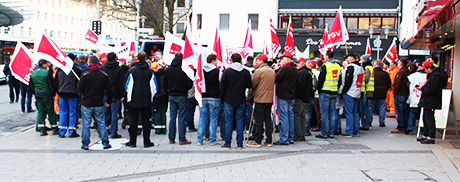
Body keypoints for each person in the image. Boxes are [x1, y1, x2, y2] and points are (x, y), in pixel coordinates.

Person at [78, 56, 113, 150]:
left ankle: (85, 144)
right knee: (101, 122)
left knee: (86, 124)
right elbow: (110, 89)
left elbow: (80, 89)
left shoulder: (85, 75)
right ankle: (105, 143)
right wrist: (109, 101)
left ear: (89, 63)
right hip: (99, 102)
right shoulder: (103, 75)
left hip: (87, 102)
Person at [124, 51, 157, 148]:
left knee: (133, 121)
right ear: (146, 58)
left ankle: (132, 141)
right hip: (146, 99)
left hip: (134, 99)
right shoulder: (150, 71)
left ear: (137, 58)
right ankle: (147, 141)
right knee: (146, 121)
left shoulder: (132, 70)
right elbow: (154, 87)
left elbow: (127, 86)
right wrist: (151, 97)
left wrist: (128, 97)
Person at [220, 53, 252, 149]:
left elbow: (222, 87)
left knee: (229, 121)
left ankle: (228, 143)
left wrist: (222, 98)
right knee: (239, 121)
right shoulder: (245, 72)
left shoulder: (227, 72)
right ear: (241, 60)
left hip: (228, 100)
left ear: (231, 61)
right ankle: (239, 143)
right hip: (241, 99)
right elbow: (249, 85)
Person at [163, 52, 193, 145]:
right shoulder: (184, 69)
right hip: (182, 95)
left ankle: (171, 138)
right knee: (182, 117)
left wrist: (168, 89)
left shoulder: (168, 69)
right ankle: (182, 138)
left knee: (172, 117)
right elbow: (189, 83)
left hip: (172, 95)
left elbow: (163, 82)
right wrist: (184, 88)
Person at [247, 54, 276, 148]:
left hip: (260, 98)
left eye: (257, 61)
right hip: (269, 98)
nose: (255, 62)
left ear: (261, 61)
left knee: (259, 120)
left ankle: (257, 140)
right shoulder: (272, 71)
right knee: (267, 119)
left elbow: (253, 84)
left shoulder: (259, 71)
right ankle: (268, 140)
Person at [417, 61, 447, 144]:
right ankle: (426, 134)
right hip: (430, 100)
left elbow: (431, 89)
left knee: (429, 119)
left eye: (425, 69)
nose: (425, 71)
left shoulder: (435, 77)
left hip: (431, 100)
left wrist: (422, 88)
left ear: (430, 68)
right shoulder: (435, 75)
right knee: (426, 118)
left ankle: (431, 136)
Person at [196, 55, 222, 146]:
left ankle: (199, 140)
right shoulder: (218, 72)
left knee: (202, 119)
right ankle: (212, 140)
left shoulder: (201, 71)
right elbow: (221, 84)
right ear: (213, 61)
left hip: (203, 97)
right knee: (213, 120)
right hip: (214, 98)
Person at [54, 57, 83, 138]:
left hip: (62, 93)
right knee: (72, 112)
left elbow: (56, 83)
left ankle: (62, 131)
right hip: (73, 93)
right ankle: (71, 131)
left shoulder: (59, 70)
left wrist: (58, 91)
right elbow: (80, 82)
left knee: (63, 112)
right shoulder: (76, 70)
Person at [272, 52, 297, 145]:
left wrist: (276, 70)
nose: (281, 60)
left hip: (283, 95)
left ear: (287, 59)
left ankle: (284, 138)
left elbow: (276, 79)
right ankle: (290, 137)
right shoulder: (294, 69)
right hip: (291, 95)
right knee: (290, 116)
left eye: (282, 58)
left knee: (284, 117)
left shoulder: (285, 69)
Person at [315, 50, 341, 139]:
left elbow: (321, 79)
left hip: (325, 92)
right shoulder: (337, 66)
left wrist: (318, 89)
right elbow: (340, 80)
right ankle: (331, 133)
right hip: (334, 91)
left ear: (327, 56)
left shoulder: (325, 66)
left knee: (324, 114)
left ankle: (324, 133)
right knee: (332, 113)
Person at [29, 59, 58, 136]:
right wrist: (53, 94)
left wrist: (35, 93)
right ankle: (54, 128)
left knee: (41, 112)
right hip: (47, 94)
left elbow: (31, 86)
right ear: (44, 64)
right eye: (47, 64)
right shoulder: (47, 72)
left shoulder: (33, 73)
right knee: (50, 112)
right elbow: (51, 84)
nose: (48, 65)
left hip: (38, 95)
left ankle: (42, 129)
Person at [100, 52, 124, 139]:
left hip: (105, 93)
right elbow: (121, 83)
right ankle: (114, 132)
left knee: (103, 113)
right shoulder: (119, 69)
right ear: (115, 59)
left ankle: (103, 131)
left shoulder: (102, 68)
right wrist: (122, 94)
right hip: (115, 93)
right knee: (114, 113)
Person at [339, 54, 364, 138]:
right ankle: (356, 131)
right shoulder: (360, 67)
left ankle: (349, 131)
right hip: (357, 92)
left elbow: (348, 80)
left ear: (352, 58)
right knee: (355, 112)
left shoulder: (351, 67)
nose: (346, 59)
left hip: (350, 92)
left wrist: (344, 91)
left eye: (348, 58)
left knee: (349, 113)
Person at [293, 58, 314, 141]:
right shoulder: (307, 72)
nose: (296, 64)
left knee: (297, 115)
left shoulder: (302, 73)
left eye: (298, 63)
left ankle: (298, 134)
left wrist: (296, 95)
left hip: (301, 97)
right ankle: (301, 133)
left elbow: (300, 86)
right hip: (306, 97)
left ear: (302, 63)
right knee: (302, 116)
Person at [365, 61, 391, 129]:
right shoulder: (385, 74)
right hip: (382, 92)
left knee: (370, 107)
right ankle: (381, 122)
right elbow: (389, 84)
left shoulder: (372, 73)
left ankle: (369, 121)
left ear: (374, 65)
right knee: (382, 107)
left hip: (372, 92)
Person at [407, 62, 427, 134]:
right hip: (424, 99)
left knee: (413, 113)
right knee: (423, 115)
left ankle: (410, 126)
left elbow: (408, 84)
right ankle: (423, 129)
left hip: (414, 97)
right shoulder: (428, 76)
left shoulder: (413, 76)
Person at [391, 58, 410, 134]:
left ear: (401, 64)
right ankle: (404, 126)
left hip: (400, 94)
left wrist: (394, 91)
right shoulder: (407, 71)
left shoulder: (401, 72)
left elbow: (398, 84)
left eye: (398, 63)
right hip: (405, 93)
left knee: (399, 111)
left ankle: (401, 127)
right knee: (404, 111)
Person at [359, 54, 374, 130]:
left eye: (361, 59)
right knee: (367, 108)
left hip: (366, 90)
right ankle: (367, 123)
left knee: (364, 109)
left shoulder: (367, 68)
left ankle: (365, 124)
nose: (360, 60)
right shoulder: (370, 68)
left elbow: (365, 78)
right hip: (369, 90)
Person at [153, 60, 168, 134]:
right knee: (163, 111)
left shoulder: (155, 74)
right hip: (165, 95)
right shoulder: (167, 73)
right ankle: (164, 128)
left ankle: (158, 128)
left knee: (157, 112)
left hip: (157, 95)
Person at [311, 60, 323, 132]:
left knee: (318, 111)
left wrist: (313, 90)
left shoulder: (315, 73)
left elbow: (315, 84)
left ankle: (319, 125)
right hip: (325, 92)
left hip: (317, 94)